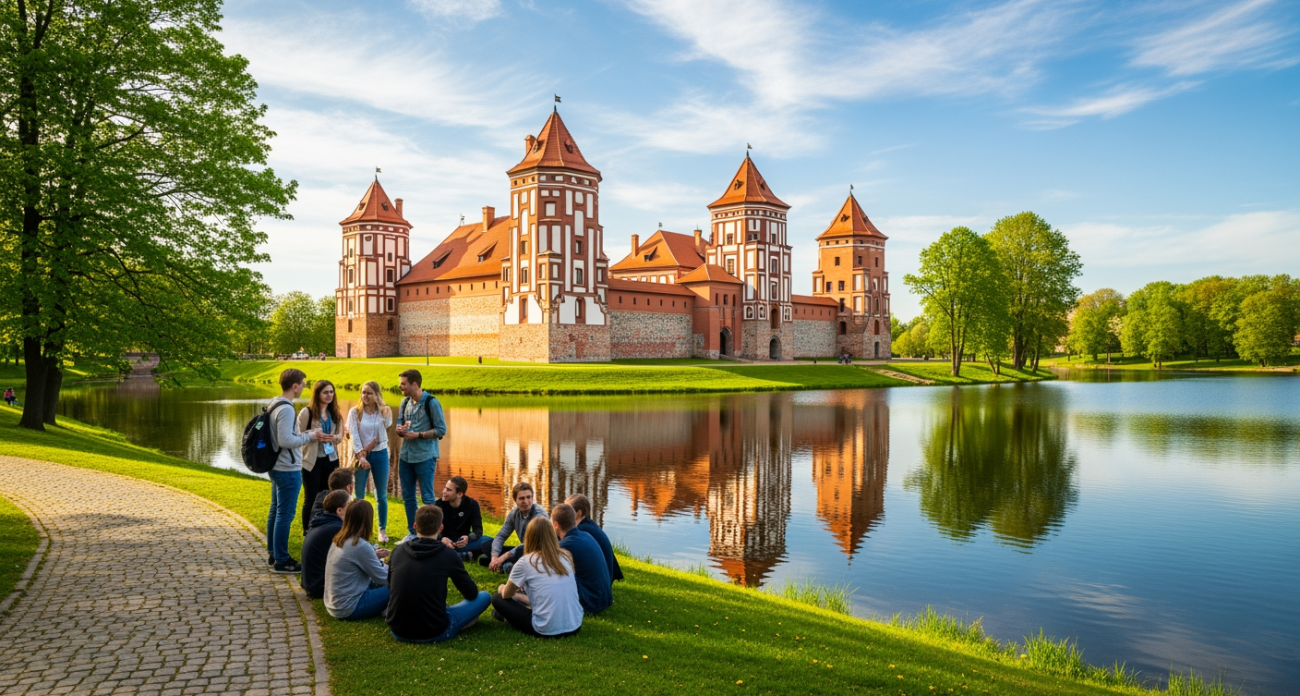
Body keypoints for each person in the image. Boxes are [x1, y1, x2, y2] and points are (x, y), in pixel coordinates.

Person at [386, 504, 491, 643]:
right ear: (441, 528)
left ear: (415, 526)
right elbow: (471, 593)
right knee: (484, 597)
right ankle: (456, 622)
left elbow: (390, 585)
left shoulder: (398, 551)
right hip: (434, 631)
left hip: (398, 629)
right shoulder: (448, 554)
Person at [267, 368, 328, 574]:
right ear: (295, 386)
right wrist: (309, 437)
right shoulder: (287, 409)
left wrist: (307, 433)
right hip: (287, 468)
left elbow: (286, 435)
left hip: (277, 466)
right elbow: (286, 440)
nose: (304, 387)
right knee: (284, 514)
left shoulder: (275, 403)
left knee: (275, 511)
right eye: (303, 384)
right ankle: (282, 560)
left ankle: (274, 552)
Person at [489, 517, 582, 638]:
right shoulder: (565, 556)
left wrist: (502, 588)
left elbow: (506, 595)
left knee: (497, 599)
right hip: (575, 625)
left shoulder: (525, 562)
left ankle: (506, 617)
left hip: (545, 629)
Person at [394, 369, 446, 543]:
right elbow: (399, 423)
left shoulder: (431, 403)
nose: (400, 386)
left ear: (414, 384)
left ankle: (432, 535)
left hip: (425, 456)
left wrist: (419, 435)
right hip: (406, 456)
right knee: (408, 496)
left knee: (428, 498)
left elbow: (441, 430)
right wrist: (399, 430)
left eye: (403, 383)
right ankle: (413, 532)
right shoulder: (404, 402)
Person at [325, 499, 390, 620]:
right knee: (399, 586)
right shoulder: (359, 545)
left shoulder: (340, 539)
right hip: (349, 607)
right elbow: (383, 578)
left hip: (334, 603)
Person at [348, 381, 393, 543]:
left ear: (376, 395)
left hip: (380, 454)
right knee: (359, 494)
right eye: (363, 392)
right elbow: (353, 435)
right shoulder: (355, 412)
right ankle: (358, 528)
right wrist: (361, 456)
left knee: (381, 494)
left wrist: (370, 449)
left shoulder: (385, 412)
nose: (365, 396)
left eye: (369, 393)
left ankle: (382, 529)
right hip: (361, 455)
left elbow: (381, 437)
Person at [298, 379, 344, 535]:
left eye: (331, 392)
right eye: (325, 392)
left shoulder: (335, 413)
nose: (329, 395)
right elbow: (296, 435)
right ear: (317, 394)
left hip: (330, 459)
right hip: (311, 461)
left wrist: (333, 438)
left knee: (329, 496)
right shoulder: (307, 412)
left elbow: (340, 436)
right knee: (311, 497)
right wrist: (313, 435)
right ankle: (307, 530)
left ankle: (325, 528)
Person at [551, 503, 611, 614]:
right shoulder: (586, 535)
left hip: (590, 603)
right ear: (574, 521)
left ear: (555, 525)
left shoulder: (565, 545)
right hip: (603, 598)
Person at [481, 482, 548, 574]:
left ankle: (508, 565)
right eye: (521, 498)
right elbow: (501, 536)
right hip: (523, 549)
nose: (526, 501)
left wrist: (504, 556)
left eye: (529, 497)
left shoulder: (539, 516)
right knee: (487, 545)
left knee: (520, 551)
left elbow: (530, 544)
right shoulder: (514, 513)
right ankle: (501, 564)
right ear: (515, 500)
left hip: (539, 551)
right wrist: (495, 557)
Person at [301, 490, 350, 599]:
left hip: (311, 583)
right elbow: (352, 557)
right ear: (340, 510)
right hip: (320, 587)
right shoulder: (336, 528)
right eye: (349, 505)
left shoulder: (321, 521)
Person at [566, 494, 623, 582]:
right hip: (607, 575)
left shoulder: (582, 531)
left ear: (578, 513)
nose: (564, 513)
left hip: (601, 580)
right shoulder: (590, 525)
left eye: (568, 510)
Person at [436, 475, 485, 560]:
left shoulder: (472, 504)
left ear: (459, 494)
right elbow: (432, 530)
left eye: (448, 490)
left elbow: (478, 530)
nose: (444, 492)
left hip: (463, 542)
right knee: (426, 540)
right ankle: (463, 555)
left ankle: (456, 554)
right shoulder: (438, 504)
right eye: (445, 488)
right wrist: (442, 538)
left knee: (490, 541)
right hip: (444, 541)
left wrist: (468, 538)